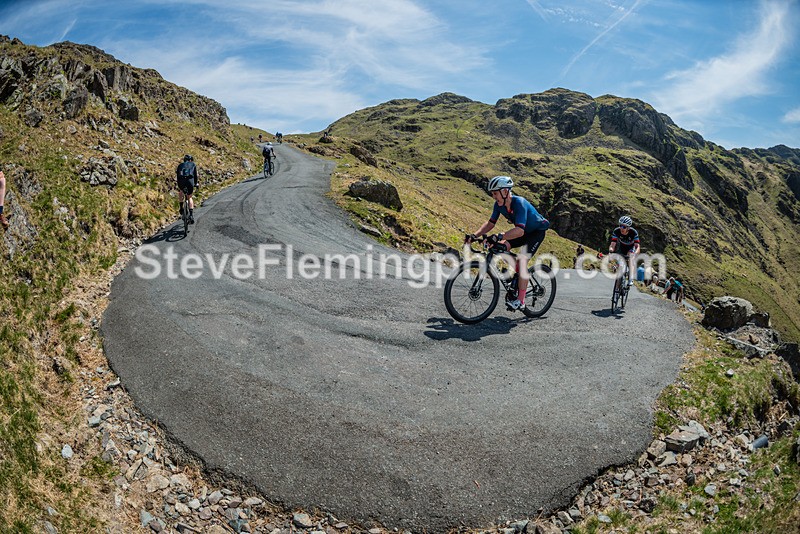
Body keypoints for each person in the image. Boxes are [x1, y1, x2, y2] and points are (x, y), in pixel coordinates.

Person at [465, 175, 550, 311]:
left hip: (535, 233)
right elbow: (490, 223)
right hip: (520, 231)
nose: (493, 196)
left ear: (505, 192)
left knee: (522, 261)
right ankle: (518, 275)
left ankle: (521, 301)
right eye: (492, 194)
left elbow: (520, 231)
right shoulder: (498, 205)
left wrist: (499, 235)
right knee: (500, 247)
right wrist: (474, 235)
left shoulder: (519, 203)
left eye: (495, 193)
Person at [608, 215, 640, 286]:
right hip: (622, 247)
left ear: (628, 228)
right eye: (620, 226)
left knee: (630, 257)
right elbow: (613, 244)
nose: (621, 228)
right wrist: (611, 250)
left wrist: (635, 253)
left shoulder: (633, 233)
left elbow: (637, 246)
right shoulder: (616, 231)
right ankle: (617, 288)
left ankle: (630, 277)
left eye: (624, 227)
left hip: (631, 248)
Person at [176, 154, 199, 224]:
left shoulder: (180, 165)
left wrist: (179, 185)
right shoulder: (193, 164)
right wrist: (196, 183)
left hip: (182, 181)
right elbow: (195, 175)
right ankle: (191, 215)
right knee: (189, 197)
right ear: (191, 160)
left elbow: (178, 176)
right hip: (190, 181)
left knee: (181, 192)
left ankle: (181, 207)